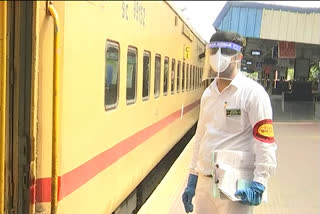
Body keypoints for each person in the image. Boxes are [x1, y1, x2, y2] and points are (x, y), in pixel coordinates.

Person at [182, 31, 277, 214]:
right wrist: (192, 177)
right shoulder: (208, 94)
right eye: (214, 51)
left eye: (225, 51)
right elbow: (200, 136)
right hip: (204, 182)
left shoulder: (253, 94)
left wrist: (259, 182)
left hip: (234, 186)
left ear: (239, 56)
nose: (218, 56)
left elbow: (264, 142)